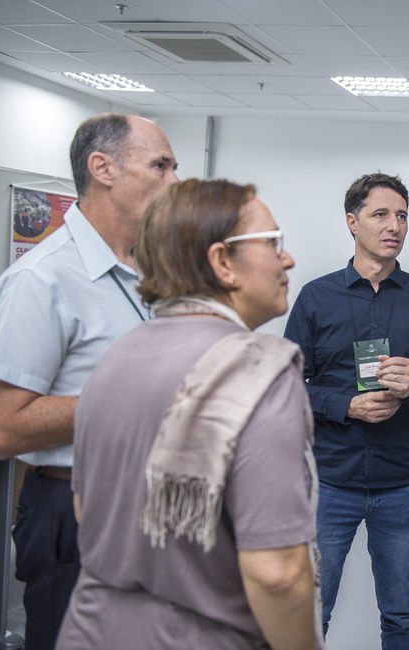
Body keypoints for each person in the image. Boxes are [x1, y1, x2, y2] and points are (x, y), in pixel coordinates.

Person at [56, 179, 322, 649]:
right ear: (223, 262)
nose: (288, 259)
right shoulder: (259, 372)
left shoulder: (117, 357)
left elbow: (86, 508)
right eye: (272, 243)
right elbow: (277, 574)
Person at [0, 113, 178, 649]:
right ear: (103, 168)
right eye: (160, 165)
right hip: (74, 508)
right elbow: (2, 429)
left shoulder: (147, 273)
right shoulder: (40, 279)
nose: (175, 183)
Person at [283, 172, 409, 648]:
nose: (394, 225)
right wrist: (347, 405)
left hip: (403, 486)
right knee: (310, 611)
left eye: (402, 216)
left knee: (401, 613)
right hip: (330, 483)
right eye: (381, 214)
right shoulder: (317, 297)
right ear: (351, 222)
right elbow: (285, 388)